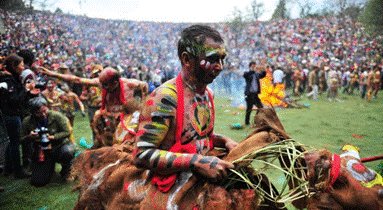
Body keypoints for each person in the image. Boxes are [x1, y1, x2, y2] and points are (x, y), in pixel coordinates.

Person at [134, 25, 238, 194]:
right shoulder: (165, 98)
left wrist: (224, 140)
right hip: (168, 187)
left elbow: (199, 138)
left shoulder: (208, 94)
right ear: (187, 59)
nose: (220, 66)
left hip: (198, 181)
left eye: (222, 59)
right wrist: (195, 161)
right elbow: (141, 155)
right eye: (212, 59)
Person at [20, 97, 74, 186]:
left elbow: (67, 132)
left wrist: (54, 137)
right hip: (42, 151)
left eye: (45, 110)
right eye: (39, 113)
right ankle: (49, 168)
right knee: (38, 182)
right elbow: (21, 139)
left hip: (59, 146)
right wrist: (30, 136)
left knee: (67, 152)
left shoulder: (56, 116)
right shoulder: (27, 121)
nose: (44, 114)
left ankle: (67, 170)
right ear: (33, 113)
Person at [0, 54, 35, 179]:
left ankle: (8, 168)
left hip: (14, 114)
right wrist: (25, 89)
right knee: (15, 142)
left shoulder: (13, 78)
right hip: (10, 115)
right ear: (14, 66)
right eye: (21, 64)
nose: (23, 66)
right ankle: (18, 171)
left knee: (12, 141)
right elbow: (14, 100)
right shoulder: (7, 81)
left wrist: (29, 92)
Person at [243, 61, 266, 126]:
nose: (254, 67)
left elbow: (263, 75)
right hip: (249, 94)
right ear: (250, 66)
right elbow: (246, 75)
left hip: (255, 95)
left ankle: (256, 121)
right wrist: (253, 70)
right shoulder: (247, 73)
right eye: (253, 66)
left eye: (255, 65)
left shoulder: (256, 74)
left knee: (260, 108)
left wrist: (263, 69)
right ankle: (247, 123)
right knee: (249, 109)